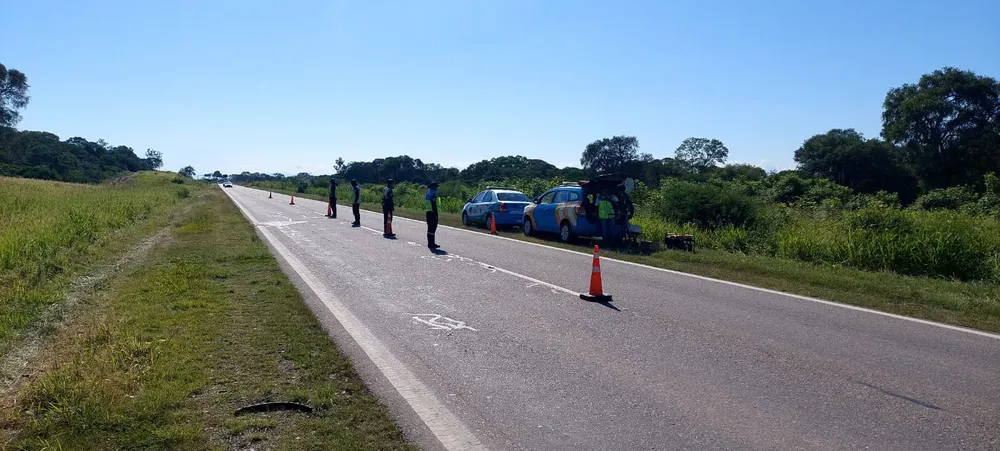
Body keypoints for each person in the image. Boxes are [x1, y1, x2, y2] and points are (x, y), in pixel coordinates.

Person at [425, 181, 441, 249]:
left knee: (429, 229)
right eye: (436, 186)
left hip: (428, 212)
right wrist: (436, 214)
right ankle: (431, 243)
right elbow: (434, 205)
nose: (437, 188)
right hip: (433, 213)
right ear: (433, 187)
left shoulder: (428, 194)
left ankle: (430, 243)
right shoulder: (433, 194)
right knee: (432, 229)